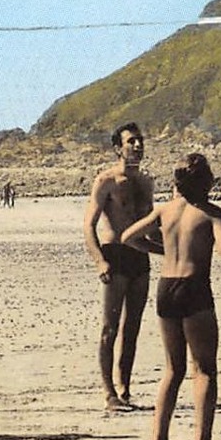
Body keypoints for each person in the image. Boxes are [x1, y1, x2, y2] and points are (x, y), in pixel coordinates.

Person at [122, 153, 221, 440]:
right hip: (194, 288)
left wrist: (163, 250)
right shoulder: (212, 214)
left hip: (165, 288)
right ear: (205, 183)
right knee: (205, 370)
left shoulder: (165, 210)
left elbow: (129, 237)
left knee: (173, 369)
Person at [84, 123, 156, 411]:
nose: (137, 146)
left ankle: (125, 389)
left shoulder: (147, 181)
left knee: (133, 327)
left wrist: (171, 248)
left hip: (141, 258)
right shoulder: (107, 181)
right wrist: (100, 260)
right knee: (109, 327)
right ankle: (109, 393)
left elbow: (151, 226)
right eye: (131, 142)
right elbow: (88, 226)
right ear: (118, 148)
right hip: (115, 256)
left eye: (140, 141)